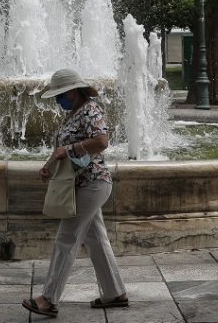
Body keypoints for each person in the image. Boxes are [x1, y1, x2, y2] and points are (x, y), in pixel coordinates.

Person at [22, 68, 127, 319]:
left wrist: (71, 147)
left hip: (93, 183)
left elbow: (102, 142)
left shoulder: (91, 111)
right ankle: (114, 294)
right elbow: (62, 150)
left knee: (66, 238)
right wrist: (48, 166)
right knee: (96, 240)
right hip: (82, 184)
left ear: (73, 91)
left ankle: (48, 299)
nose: (58, 101)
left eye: (61, 95)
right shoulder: (73, 114)